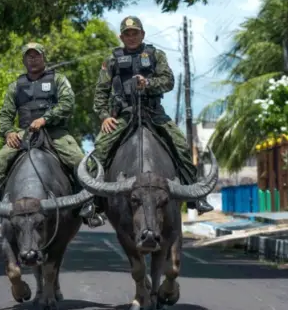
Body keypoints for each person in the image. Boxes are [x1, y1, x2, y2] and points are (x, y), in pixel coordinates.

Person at [91, 16, 214, 215]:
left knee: (181, 146)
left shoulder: (156, 55)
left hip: (154, 112)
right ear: (121, 36)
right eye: (127, 34)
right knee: (99, 150)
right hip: (124, 114)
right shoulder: (111, 59)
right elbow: (100, 92)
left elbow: (169, 81)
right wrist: (105, 116)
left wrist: (148, 83)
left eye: (135, 33)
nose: (131, 37)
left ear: (143, 34)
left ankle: (196, 196)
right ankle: (93, 201)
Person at [0, 42, 104, 227]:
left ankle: (90, 206)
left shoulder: (58, 80)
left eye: (37, 56)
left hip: (55, 132)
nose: (33, 59)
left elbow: (68, 103)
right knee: (1, 160)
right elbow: (5, 114)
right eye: (29, 56)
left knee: (79, 161)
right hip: (24, 133)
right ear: (24, 60)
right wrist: (8, 132)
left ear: (44, 58)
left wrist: (45, 119)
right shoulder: (15, 86)